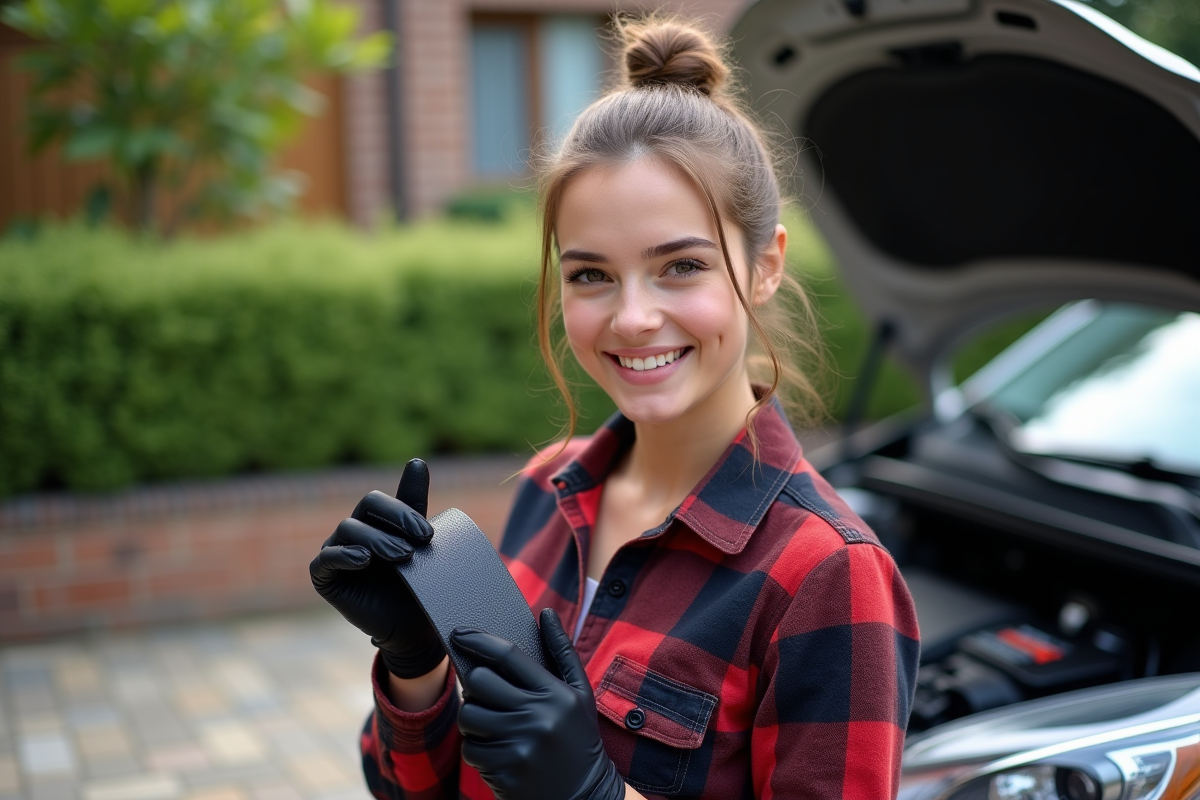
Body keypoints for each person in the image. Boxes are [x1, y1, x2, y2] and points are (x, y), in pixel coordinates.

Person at [310, 15, 920, 800]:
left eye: (680, 267)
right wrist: (415, 665)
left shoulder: (828, 575)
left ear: (765, 265)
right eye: (591, 275)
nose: (631, 317)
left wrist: (598, 793)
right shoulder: (547, 487)